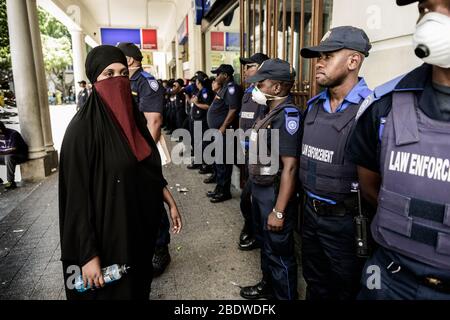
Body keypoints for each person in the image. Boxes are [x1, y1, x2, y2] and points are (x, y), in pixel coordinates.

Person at [59, 45, 182, 300]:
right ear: (95, 80)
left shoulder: (133, 121)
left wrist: (168, 198)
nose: (118, 80)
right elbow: (76, 201)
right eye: (109, 74)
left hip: (137, 233)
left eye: (123, 73)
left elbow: (146, 167)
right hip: (106, 240)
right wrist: (88, 255)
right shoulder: (80, 131)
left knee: (138, 288)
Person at [347, 0, 450, 300]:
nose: (432, 19)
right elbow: (370, 188)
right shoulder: (385, 105)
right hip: (389, 281)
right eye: (426, 7)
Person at [298, 26, 373, 300]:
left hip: (346, 225)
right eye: (319, 56)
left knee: (347, 290)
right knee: (315, 283)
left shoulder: (371, 110)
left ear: (353, 61)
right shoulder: (313, 107)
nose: (319, 62)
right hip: (310, 216)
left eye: (328, 56)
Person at [240, 58, 301, 300]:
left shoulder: (287, 116)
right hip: (261, 190)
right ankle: (268, 286)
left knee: (279, 252)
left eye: (261, 84)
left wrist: (279, 211)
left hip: (275, 195)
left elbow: (290, 168)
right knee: (266, 246)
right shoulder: (269, 111)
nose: (256, 88)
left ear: (277, 88)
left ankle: (285, 295)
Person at [117, 42, 173, 277]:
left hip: (142, 153)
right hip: (127, 151)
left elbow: (154, 121)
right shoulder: (125, 82)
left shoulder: (146, 82)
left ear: (129, 60)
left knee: (152, 197)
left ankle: (161, 249)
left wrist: (143, 155)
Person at [238, 53, 270, 251]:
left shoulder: (266, 93)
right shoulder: (248, 91)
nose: (245, 70)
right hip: (246, 151)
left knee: (249, 199)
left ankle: (254, 230)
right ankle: (252, 227)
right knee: (247, 196)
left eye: (249, 65)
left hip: (261, 156)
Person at [206, 64, 243, 203]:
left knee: (224, 162)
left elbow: (233, 110)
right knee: (219, 161)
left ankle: (224, 192)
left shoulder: (232, 88)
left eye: (218, 74)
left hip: (225, 132)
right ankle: (219, 188)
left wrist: (222, 126)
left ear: (226, 75)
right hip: (219, 132)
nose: (216, 77)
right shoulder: (224, 89)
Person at [191, 72, 215, 175]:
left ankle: (206, 165)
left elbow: (208, 106)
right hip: (197, 120)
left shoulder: (205, 91)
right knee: (198, 142)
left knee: (204, 143)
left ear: (199, 82)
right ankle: (199, 162)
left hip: (202, 121)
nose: (195, 82)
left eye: (196, 80)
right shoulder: (200, 91)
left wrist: (196, 103)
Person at [0, 121, 28, 190]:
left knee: (9, 157)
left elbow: (13, 149)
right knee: (7, 157)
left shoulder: (13, 134)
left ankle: (11, 182)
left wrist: (1, 152)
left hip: (19, 156)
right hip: (6, 156)